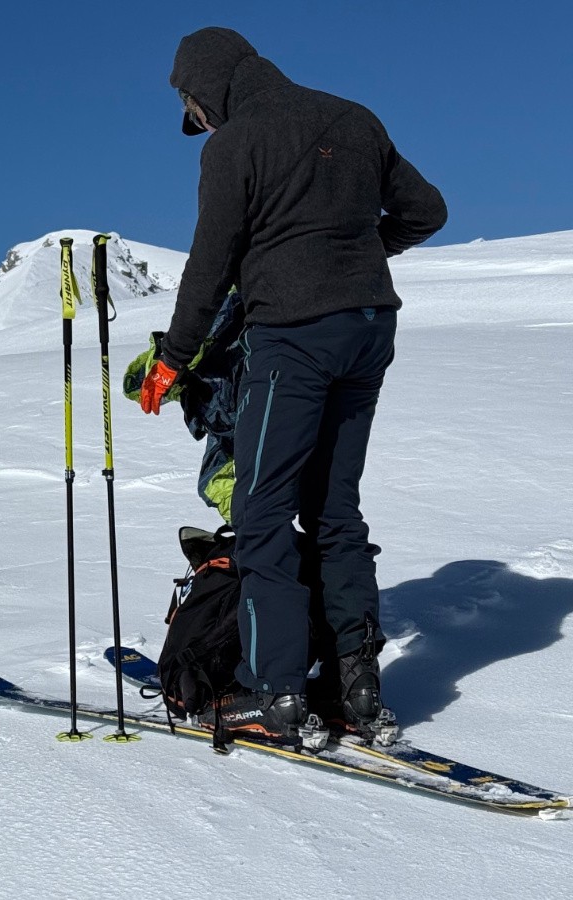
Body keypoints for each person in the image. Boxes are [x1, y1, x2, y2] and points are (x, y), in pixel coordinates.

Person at [137, 27, 447, 742]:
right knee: (335, 509)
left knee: (264, 511)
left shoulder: (236, 144)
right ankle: (359, 688)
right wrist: (356, 252)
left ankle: (274, 691)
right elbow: (426, 211)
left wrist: (174, 359)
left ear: (206, 87)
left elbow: (210, 263)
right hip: (370, 330)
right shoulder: (352, 118)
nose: (201, 125)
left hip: (296, 339)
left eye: (197, 110)